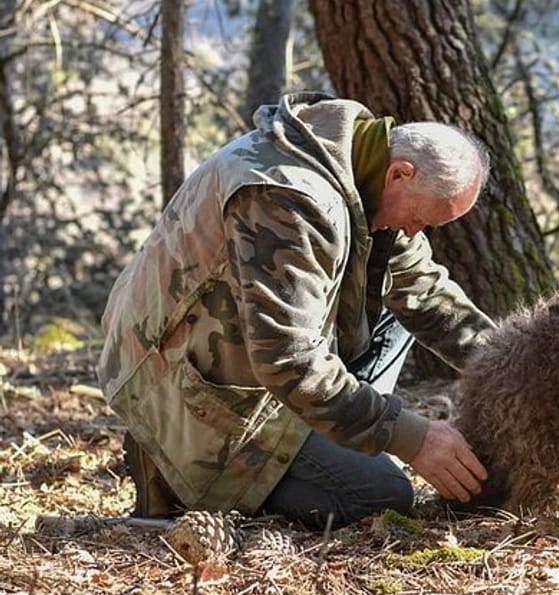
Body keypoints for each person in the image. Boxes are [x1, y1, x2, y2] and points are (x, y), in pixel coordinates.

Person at [97, 92, 496, 529]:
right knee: (381, 497)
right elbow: (288, 360)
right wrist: (411, 438)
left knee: (397, 315)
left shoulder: (361, 172)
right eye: (421, 218)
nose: (415, 232)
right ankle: (174, 476)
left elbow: (429, 296)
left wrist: (515, 370)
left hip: (251, 358)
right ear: (401, 173)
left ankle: (327, 441)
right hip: (174, 381)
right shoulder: (288, 197)